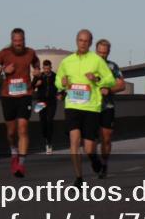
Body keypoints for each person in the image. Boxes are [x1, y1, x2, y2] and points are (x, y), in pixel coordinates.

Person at [54, 29, 116, 187]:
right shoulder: (67, 61)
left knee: (89, 148)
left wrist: (96, 78)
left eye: (86, 41)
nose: (83, 43)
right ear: (76, 41)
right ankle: (79, 178)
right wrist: (62, 83)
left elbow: (109, 80)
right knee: (74, 140)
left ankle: (94, 159)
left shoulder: (97, 61)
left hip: (91, 107)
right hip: (72, 106)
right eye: (80, 40)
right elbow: (58, 81)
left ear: (90, 43)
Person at [0, 28, 40, 178]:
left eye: (20, 41)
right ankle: (13, 150)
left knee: (23, 128)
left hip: (25, 94)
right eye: (15, 41)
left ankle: (21, 165)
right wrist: (3, 69)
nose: (18, 44)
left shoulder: (30, 52)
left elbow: (36, 63)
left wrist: (36, 70)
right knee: (11, 132)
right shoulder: (4, 53)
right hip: (8, 96)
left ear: (24, 40)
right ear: (12, 40)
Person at [95, 38, 126, 178]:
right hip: (90, 108)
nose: (102, 56)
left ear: (109, 52)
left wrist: (110, 90)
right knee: (89, 139)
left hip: (107, 107)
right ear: (95, 51)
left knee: (106, 139)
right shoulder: (88, 65)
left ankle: (104, 164)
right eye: (100, 52)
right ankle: (94, 160)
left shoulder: (112, 67)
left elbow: (122, 85)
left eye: (105, 53)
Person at [31, 59, 61, 154]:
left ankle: (49, 143)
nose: (47, 70)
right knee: (43, 121)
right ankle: (45, 136)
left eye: (48, 68)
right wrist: (36, 84)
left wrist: (60, 94)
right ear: (43, 68)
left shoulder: (55, 76)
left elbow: (60, 87)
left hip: (52, 101)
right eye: (45, 69)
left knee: (50, 120)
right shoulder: (39, 76)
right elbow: (31, 87)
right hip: (41, 101)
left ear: (51, 68)